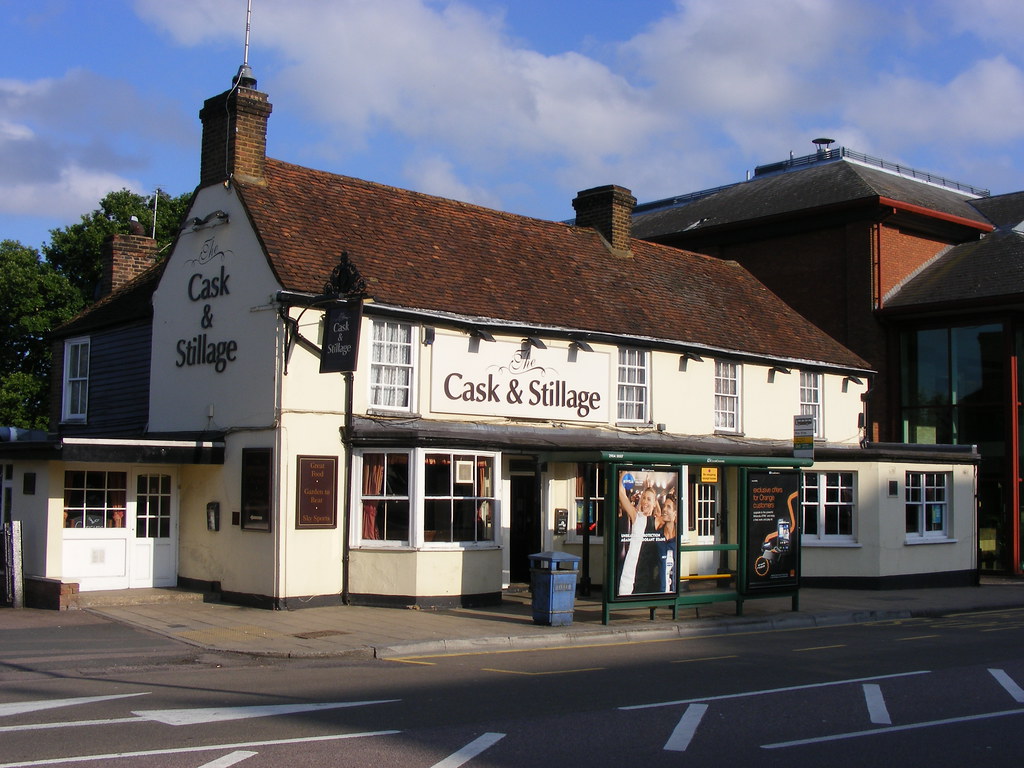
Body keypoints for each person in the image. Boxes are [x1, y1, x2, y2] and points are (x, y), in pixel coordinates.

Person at [617, 474, 665, 596]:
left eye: (649, 499)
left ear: (655, 503)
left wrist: (654, 499)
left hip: (646, 571)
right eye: (643, 498)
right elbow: (621, 493)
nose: (645, 501)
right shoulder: (635, 516)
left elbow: (665, 515)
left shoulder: (656, 521)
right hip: (630, 569)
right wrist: (624, 472)